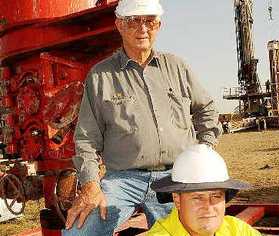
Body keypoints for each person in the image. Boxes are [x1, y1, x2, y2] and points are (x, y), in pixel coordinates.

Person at [63, 0, 222, 235]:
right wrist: (90, 184)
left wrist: (203, 152)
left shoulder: (177, 67)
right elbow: (86, 139)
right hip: (122, 181)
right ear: (119, 25)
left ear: (159, 25)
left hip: (175, 177)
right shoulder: (101, 76)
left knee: (196, 230)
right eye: (133, 21)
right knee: (79, 232)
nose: (142, 29)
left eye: (149, 21)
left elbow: (206, 110)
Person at [148, 144, 261, 236]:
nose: (208, 207)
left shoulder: (238, 231)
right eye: (197, 197)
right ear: (177, 200)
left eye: (216, 196)